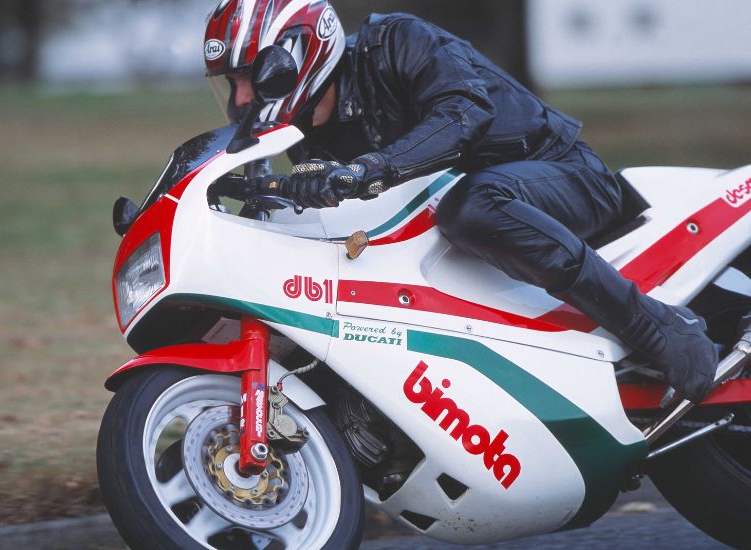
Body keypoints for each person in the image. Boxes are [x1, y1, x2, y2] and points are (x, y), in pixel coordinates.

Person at [203, 0, 718, 402]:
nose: (242, 98)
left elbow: (464, 112)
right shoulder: (303, 139)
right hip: (472, 235)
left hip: (567, 176)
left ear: (301, 52)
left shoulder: (396, 41)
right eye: (233, 83)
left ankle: (656, 326)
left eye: (253, 77)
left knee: (474, 204)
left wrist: (369, 169)